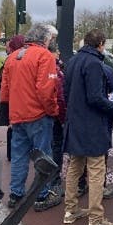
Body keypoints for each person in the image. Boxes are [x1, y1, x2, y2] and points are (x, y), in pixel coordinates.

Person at [63, 29, 113, 225]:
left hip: (75, 123)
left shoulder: (72, 61)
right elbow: (95, 98)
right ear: (101, 44)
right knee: (96, 171)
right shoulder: (95, 64)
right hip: (92, 125)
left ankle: (70, 211)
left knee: (74, 167)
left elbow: (66, 92)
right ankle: (96, 220)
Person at [0, 24, 61, 211]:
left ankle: (16, 193)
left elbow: (5, 91)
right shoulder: (44, 56)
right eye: (50, 38)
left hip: (18, 115)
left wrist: (10, 112)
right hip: (38, 115)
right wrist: (53, 110)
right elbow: (45, 90)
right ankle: (41, 195)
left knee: (19, 156)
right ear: (45, 39)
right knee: (43, 156)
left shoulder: (12, 57)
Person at [0, 34, 25, 162]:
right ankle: (13, 153)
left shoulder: (9, 59)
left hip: (10, 98)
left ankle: (11, 154)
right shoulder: (15, 59)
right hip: (16, 98)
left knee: (13, 127)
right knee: (15, 128)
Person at [48, 41, 67, 198]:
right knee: (56, 146)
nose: (59, 53)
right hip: (54, 114)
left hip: (42, 113)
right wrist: (61, 117)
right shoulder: (55, 70)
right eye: (57, 51)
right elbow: (59, 96)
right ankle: (53, 180)